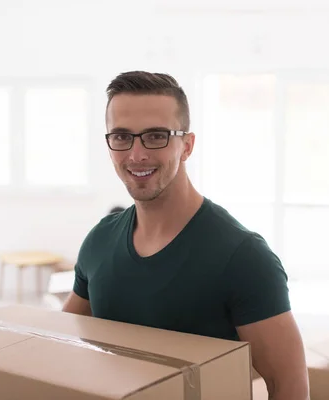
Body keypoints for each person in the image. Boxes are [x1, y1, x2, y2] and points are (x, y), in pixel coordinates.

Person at [63, 71, 309, 399]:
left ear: (187, 145)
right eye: (122, 137)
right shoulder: (99, 242)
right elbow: (59, 344)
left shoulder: (243, 257)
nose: (136, 155)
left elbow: (289, 388)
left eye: (155, 136)